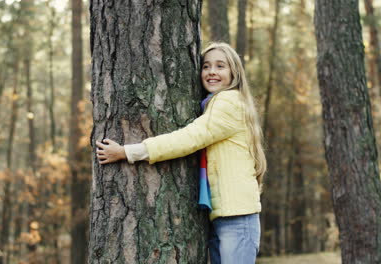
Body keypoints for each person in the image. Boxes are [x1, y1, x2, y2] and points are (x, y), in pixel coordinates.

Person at [95, 42, 267, 264]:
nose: (212, 71)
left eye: (220, 66)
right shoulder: (215, 103)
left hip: (237, 217)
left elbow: (188, 139)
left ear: (234, 73)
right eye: (206, 66)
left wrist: (128, 152)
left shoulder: (229, 102)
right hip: (225, 216)